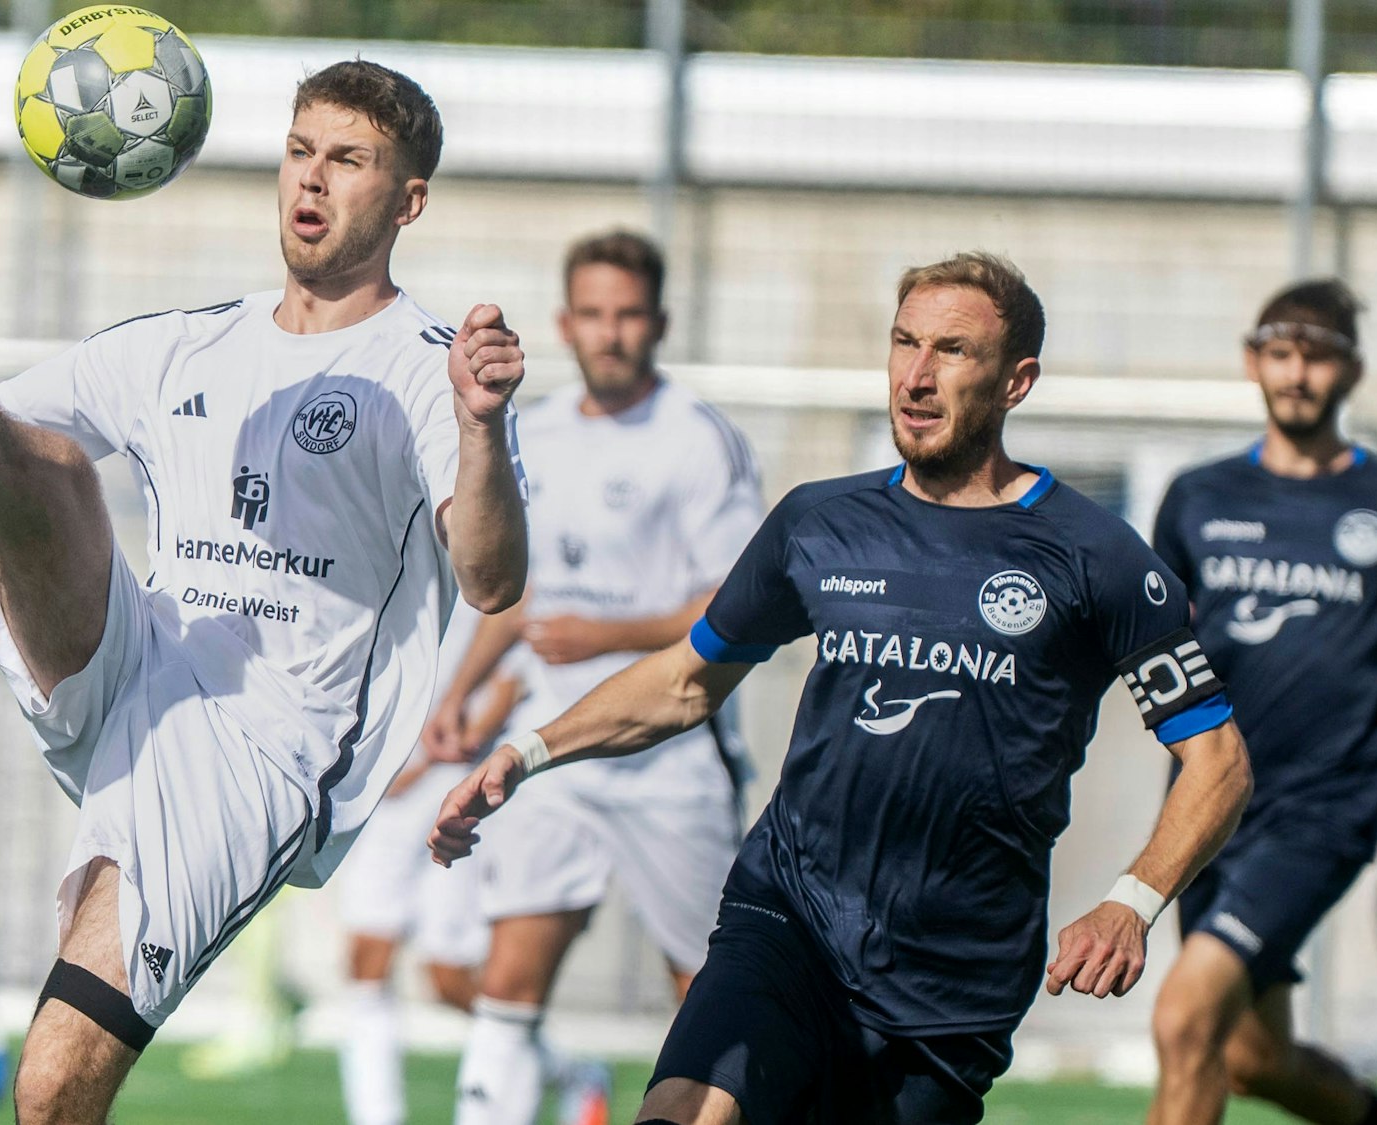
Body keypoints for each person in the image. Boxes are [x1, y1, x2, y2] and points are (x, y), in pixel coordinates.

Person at [0, 60, 529, 1124]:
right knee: (47, 471)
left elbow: (491, 577)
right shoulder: (183, 344)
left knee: (55, 1087)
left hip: (255, 751)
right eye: (300, 152)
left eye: (349, 160)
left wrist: (481, 427)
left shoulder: (429, 371)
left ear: (407, 200)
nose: (313, 179)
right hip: (135, 661)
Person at [432, 252, 1254, 1125]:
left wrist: (1133, 900)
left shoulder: (1097, 556)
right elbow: (683, 681)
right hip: (789, 914)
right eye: (904, 343)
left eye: (951, 351)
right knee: (682, 1111)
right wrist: (526, 752)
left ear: (1017, 381)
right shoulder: (818, 523)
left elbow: (1218, 759)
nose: (917, 375)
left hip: (954, 973)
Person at [1146, 279, 1377, 1125]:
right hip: (1205, 805)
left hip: (1321, 810)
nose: (1298, 373)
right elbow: (1149, 628)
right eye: (1281, 353)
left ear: (1350, 371)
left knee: (1183, 1018)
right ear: (1253, 361)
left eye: (1317, 355)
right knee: (1253, 1058)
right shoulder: (1198, 496)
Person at [436, 229, 763, 1125]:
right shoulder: (532, 433)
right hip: (551, 753)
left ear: (656, 322)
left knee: (708, 993)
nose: (609, 332)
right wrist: (460, 690)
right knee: (507, 982)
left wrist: (605, 632)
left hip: (671, 758)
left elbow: (737, 603)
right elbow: (517, 588)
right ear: (564, 323)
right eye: (592, 314)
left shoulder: (699, 439)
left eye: (627, 314)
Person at [338, 605, 534, 1125]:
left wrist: (421, 762)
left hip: (459, 792)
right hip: (387, 803)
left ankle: (566, 1070)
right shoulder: (392, 552)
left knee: (448, 979)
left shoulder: (495, 560)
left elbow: (511, 682)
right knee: (365, 963)